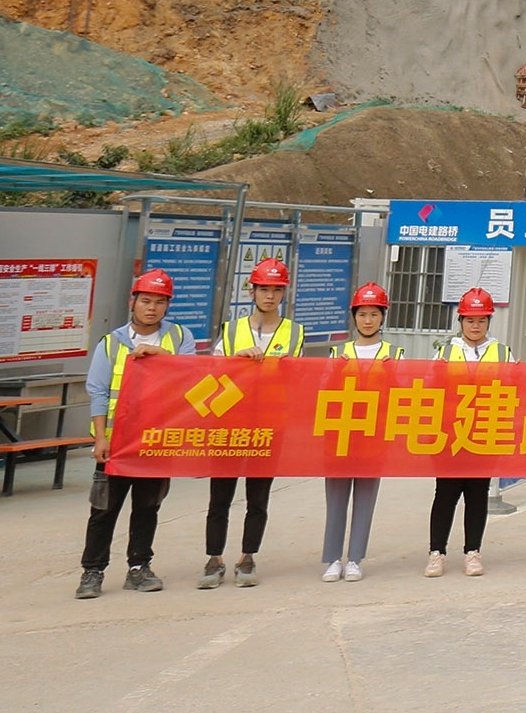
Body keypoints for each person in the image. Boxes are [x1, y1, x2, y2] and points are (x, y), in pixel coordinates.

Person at [76, 269, 195, 599]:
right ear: (133, 302)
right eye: (146, 301)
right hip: (117, 443)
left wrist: (162, 356)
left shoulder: (179, 337)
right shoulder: (112, 343)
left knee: (147, 508)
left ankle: (139, 567)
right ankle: (92, 571)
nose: (152, 308)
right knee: (104, 510)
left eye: (159, 302)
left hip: (157, 441)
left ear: (167, 305)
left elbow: (192, 375)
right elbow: (98, 391)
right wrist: (101, 438)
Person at [203, 254, 305, 589]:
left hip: (269, 425)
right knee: (219, 497)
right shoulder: (232, 330)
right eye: (264, 289)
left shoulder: (294, 332)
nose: (270, 296)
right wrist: (237, 359)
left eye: (276, 290)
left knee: (258, 499)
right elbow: (211, 372)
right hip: (230, 424)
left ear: (284, 293)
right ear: (252, 291)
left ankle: (247, 557)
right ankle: (214, 558)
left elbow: (299, 380)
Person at [322, 282, 400, 582]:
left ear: (383, 317)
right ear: (354, 316)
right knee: (336, 499)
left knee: (365, 499)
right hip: (340, 435)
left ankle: (355, 558)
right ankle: (332, 559)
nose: (368, 320)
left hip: (372, 436)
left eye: (374, 314)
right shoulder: (338, 352)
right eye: (362, 314)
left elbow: (402, 394)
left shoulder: (394, 354)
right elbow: (321, 391)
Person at [427, 286, 506, 578]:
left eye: (481, 320)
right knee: (445, 495)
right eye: (470, 320)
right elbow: (429, 389)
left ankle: (473, 552)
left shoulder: (502, 353)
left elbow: (516, 388)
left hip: (484, 432)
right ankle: (437, 553)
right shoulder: (446, 353)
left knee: (477, 495)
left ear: (489, 321)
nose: (475, 326)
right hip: (450, 434)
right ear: (460, 321)